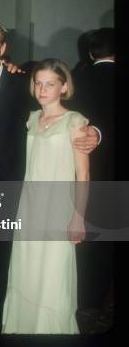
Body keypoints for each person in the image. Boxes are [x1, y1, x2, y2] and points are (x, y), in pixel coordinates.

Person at [0, 19, 100, 334]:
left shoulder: (24, 81)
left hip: (13, 189)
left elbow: (70, 110)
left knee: (1, 262)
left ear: (3, 49)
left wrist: (96, 133)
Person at [2, 58, 88, 334]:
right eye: (38, 83)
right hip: (28, 207)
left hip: (59, 208)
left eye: (50, 84)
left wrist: (78, 217)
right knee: (26, 272)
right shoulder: (31, 119)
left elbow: (83, 176)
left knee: (53, 276)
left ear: (64, 86)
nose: (42, 89)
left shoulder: (75, 121)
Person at [71, 27, 115, 318]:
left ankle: (85, 301)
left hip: (85, 171)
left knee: (87, 242)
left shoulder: (78, 80)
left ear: (89, 53)